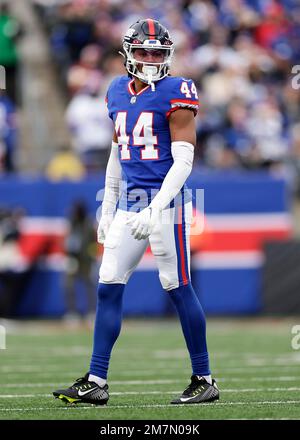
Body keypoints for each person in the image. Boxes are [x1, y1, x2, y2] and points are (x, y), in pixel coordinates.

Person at [53, 18, 219, 406]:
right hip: (129, 204)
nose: (149, 58)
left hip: (168, 206)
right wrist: (107, 206)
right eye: (143, 51)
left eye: (157, 52)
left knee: (177, 286)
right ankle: (96, 380)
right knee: (108, 283)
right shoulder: (114, 90)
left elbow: (183, 162)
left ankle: (204, 377)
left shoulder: (177, 90)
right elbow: (117, 152)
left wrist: (156, 207)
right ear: (127, 53)